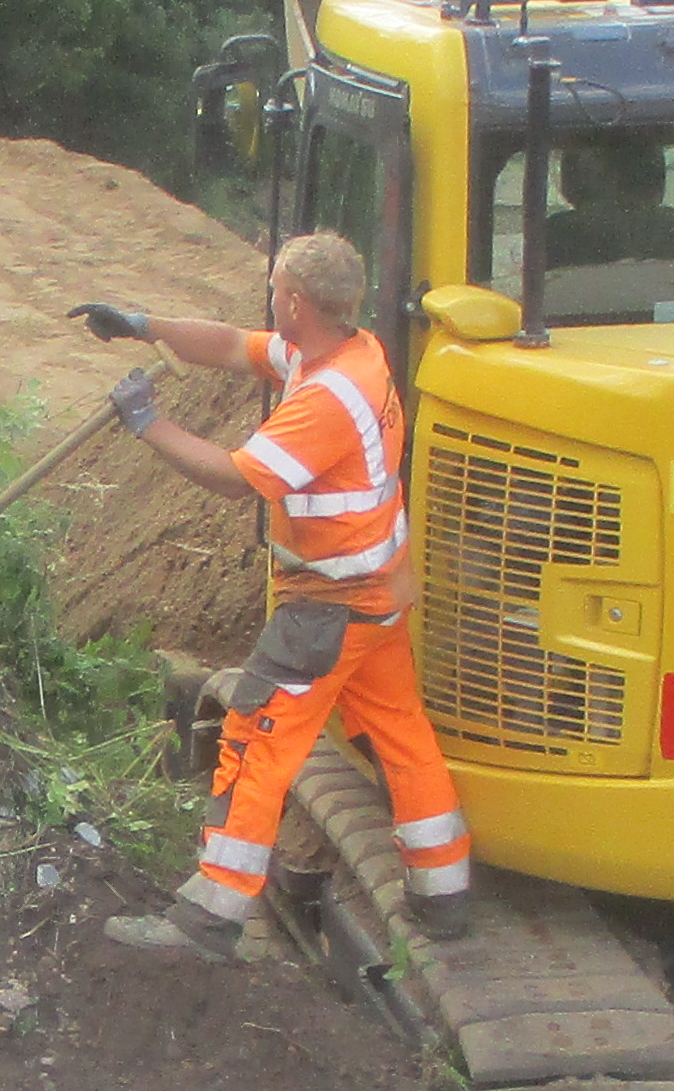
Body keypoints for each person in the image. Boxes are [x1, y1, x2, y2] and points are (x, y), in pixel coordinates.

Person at [71, 235, 475, 955]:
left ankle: (209, 918)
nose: (268, 301)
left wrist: (147, 424)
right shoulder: (352, 353)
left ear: (295, 302)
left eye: (275, 289)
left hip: (328, 606)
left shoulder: (323, 399)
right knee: (401, 732)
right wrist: (143, 324)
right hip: (377, 593)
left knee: (256, 743)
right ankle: (443, 894)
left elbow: (234, 478)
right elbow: (231, 345)